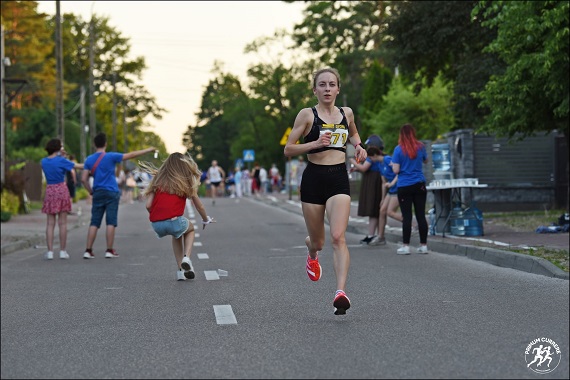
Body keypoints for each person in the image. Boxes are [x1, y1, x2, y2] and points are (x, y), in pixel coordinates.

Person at [284, 67, 367, 315]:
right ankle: (311, 252)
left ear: (338, 89)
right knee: (319, 241)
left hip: (338, 178)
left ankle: (340, 292)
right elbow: (288, 149)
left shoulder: (346, 113)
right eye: (322, 85)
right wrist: (315, 143)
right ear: (315, 90)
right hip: (313, 179)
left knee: (338, 236)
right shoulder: (307, 115)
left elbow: (353, 132)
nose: (327, 89)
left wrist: (359, 146)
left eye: (332, 85)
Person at [140, 152, 215, 281]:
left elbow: (148, 205)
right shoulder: (183, 181)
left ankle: (181, 271)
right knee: (190, 229)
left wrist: (158, 216)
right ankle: (187, 258)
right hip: (174, 221)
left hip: (156, 224)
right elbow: (200, 206)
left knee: (177, 234)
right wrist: (205, 219)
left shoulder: (158, 179)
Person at [81, 132, 155, 259]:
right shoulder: (111, 156)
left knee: (94, 222)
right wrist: (148, 149)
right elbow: (131, 155)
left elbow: (83, 179)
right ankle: (109, 250)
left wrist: (90, 191)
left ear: (94, 144)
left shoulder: (89, 159)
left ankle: (88, 250)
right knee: (111, 221)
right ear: (105, 144)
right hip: (111, 191)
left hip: (97, 191)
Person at [40, 139, 83, 260]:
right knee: (63, 223)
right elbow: (78, 166)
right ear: (58, 148)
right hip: (61, 189)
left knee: (50, 223)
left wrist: (61, 155)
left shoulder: (43, 161)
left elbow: (52, 165)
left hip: (50, 190)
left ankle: (50, 252)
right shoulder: (62, 161)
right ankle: (63, 251)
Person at [391, 124, 429, 254]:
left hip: (404, 185)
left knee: (407, 217)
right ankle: (424, 245)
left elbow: (396, 170)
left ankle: (406, 246)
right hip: (419, 184)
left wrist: (394, 165)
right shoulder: (421, 147)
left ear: (401, 135)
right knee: (421, 215)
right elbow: (426, 161)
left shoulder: (398, 150)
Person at [350, 146, 384, 245]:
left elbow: (365, 168)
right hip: (375, 181)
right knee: (373, 211)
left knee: (373, 209)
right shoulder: (380, 156)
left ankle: (375, 235)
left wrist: (353, 161)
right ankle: (373, 234)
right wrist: (357, 169)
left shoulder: (373, 156)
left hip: (373, 183)